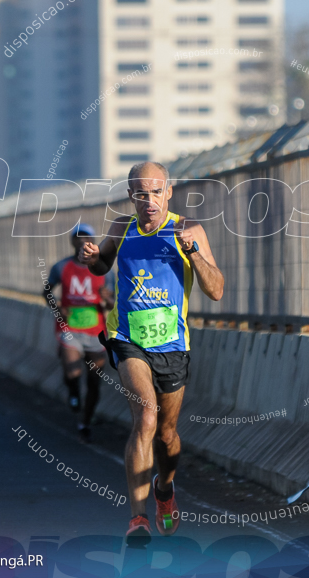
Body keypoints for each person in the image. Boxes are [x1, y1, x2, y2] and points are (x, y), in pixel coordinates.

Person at [79, 161, 224, 543]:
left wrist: (193, 254)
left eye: (156, 191)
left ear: (169, 191)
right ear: (131, 197)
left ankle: (164, 489)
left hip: (172, 345)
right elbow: (100, 268)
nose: (149, 200)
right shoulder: (121, 229)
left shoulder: (187, 229)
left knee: (167, 435)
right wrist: (93, 257)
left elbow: (216, 289)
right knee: (146, 416)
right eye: (141, 194)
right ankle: (137, 519)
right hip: (127, 339)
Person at [43, 224, 114, 443]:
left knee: (94, 382)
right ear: (72, 241)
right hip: (70, 328)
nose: (83, 241)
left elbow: (112, 303)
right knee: (72, 371)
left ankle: (85, 421)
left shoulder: (104, 270)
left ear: (93, 242)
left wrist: (106, 299)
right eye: (78, 237)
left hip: (96, 332)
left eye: (87, 238)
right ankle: (73, 392)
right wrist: (58, 308)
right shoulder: (61, 267)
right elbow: (46, 292)